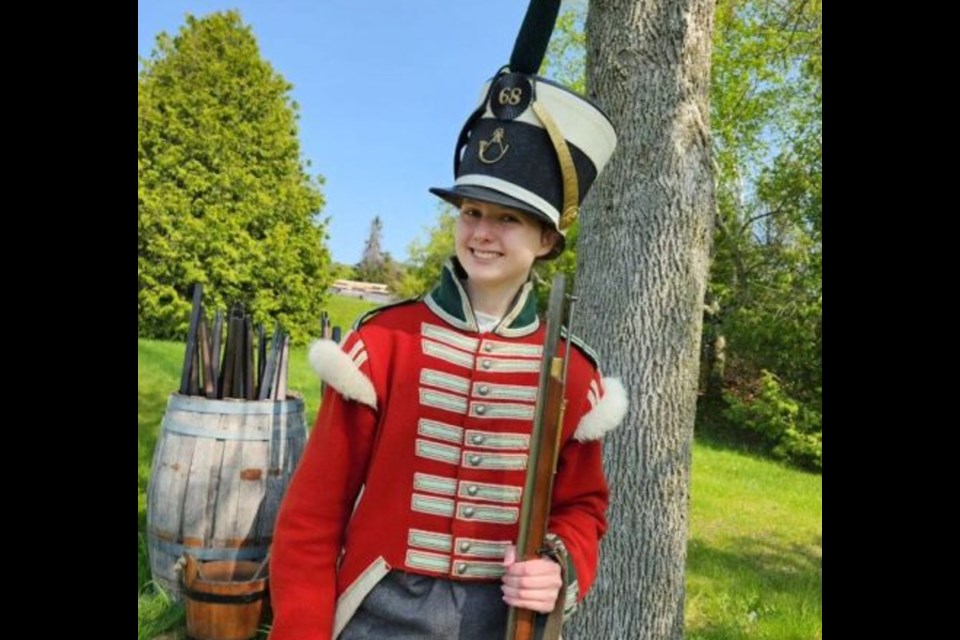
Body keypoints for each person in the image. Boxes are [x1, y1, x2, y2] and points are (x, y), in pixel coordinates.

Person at [269, 65, 626, 640]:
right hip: (376, 613)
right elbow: (312, 515)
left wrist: (557, 568)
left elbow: (582, 508)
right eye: (472, 212)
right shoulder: (383, 344)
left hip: (504, 622)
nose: (482, 232)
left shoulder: (574, 373)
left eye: (508, 219)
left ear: (548, 240)